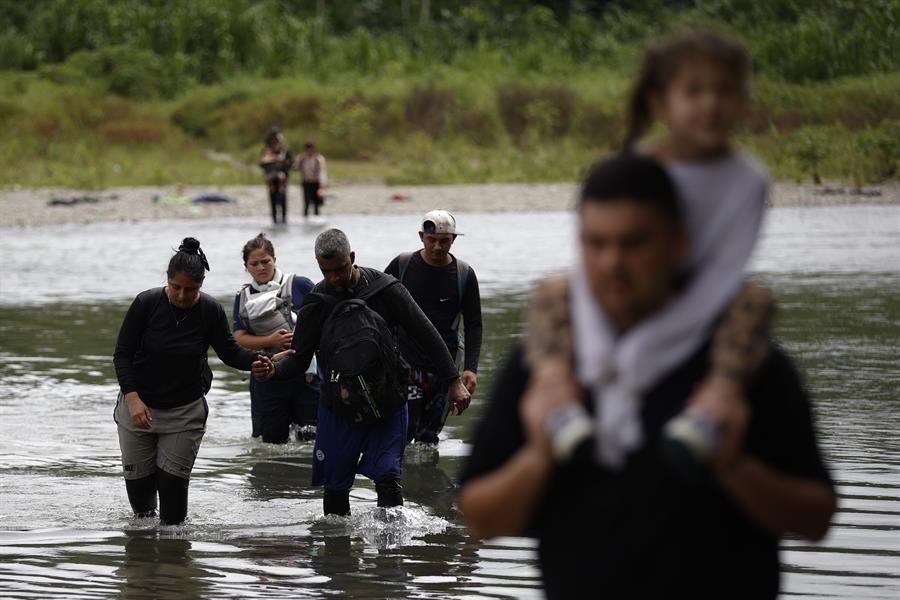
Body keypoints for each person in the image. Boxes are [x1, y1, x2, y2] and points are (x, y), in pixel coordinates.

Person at [457, 156, 837, 599]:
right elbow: (481, 518)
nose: (612, 262)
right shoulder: (545, 364)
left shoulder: (741, 363)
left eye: (633, 243)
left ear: (679, 242)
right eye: (596, 244)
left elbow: (815, 520)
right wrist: (540, 455)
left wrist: (734, 466)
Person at [252, 229, 471, 515]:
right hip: (337, 406)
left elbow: (427, 334)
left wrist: (454, 381)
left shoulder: (386, 289)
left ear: (352, 258)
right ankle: (336, 553)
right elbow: (298, 358)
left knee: (388, 480)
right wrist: (273, 370)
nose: (334, 277)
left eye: (340, 269)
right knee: (335, 490)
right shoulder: (316, 303)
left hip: (387, 401)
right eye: (326, 271)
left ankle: (392, 555)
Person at [113, 237, 263, 525]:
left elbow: (230, 352)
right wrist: (132, 398)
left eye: (190, 290)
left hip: (185, 411)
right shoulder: (146, 304)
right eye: (176, 288)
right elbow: (122, 355)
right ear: (167, 281)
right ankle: (143, 565)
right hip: (138, 407)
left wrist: (258, 361)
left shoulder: (209, 310)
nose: (182, 296)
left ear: (201, 286)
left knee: (173, 503)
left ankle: (174, 564)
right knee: (142, 506)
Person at [385, 210, 482, 445]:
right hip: (405, 363)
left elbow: (474, 324)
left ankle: (426, 479)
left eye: (444, 241)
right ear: (421, 237)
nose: (437, 247)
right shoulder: (402, 265)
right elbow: (378, 306)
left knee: (429, 439)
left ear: (453, 240)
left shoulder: (464, 275)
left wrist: (470, 369)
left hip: (445, 369)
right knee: (403, 432)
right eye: (432, 240)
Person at [232, 232, 320, 443]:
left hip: (306, 374)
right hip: (266, 375)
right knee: (271, 441)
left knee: (311, 439)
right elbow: (239, 336)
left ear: (275, 260)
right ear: (246, 266)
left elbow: (324, 320)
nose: (261, 267)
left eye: (266, 261)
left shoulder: (300, 284)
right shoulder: (242, 296)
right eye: (254, 263)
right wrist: (270, 341)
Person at [260, 127, 294, 224]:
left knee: (282, 199)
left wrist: (281, 160)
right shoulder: (266, 150)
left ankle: (284, 220)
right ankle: (274, 220)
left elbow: (290, 163)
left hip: (282, 180)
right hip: (271, 179)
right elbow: (262, 164)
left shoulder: (285, 151)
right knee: (273, 200)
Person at [296, 140, 327, 218]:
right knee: (306, 203)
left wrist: (322, 186)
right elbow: (295, 167)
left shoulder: (319, 158)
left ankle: (317, 219)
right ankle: (305, 219)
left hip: (316, 182)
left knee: (317, 204)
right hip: (306, 182)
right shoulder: (301, 158)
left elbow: (322, 172)